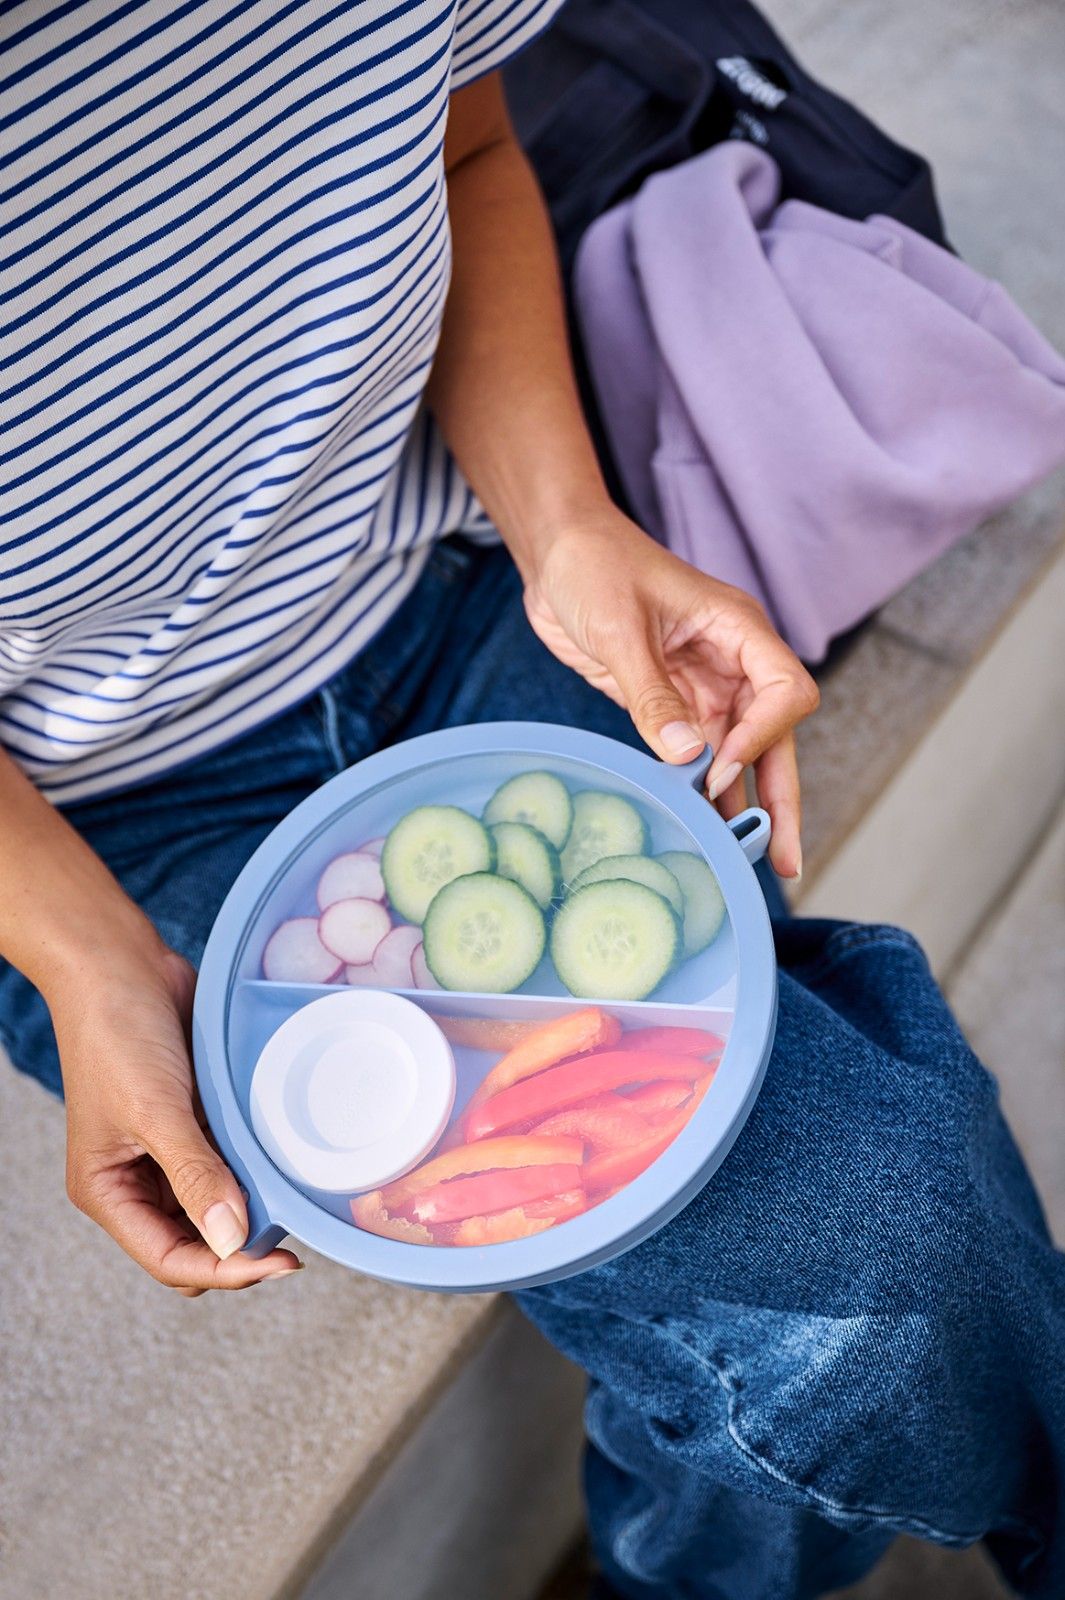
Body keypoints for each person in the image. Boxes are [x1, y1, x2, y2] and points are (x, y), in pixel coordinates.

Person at [1, 6, 1062, 1598]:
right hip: (93, 818)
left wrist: (566, 529)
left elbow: (472, 139)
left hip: (453, 591)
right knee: (876, 1277)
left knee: (866, 1275)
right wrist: (81, 961)